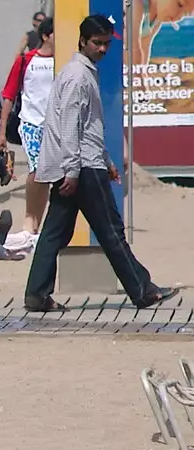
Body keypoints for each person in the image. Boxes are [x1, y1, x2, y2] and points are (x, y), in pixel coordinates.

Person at [23, 16, 179, 314]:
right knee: (110, 231)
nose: (103, 49)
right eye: (98, 43)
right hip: (81, 167)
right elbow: (69, 125)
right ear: (82, 41)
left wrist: (106, 159)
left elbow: (87, 126)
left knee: (55, 232)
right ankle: (143, 290)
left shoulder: (80, 73)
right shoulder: (78, 77)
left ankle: (37, 294)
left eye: (107, 43)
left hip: (85, 162)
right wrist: (72, 169)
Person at [0, 17, 55, 248]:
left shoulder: (65, 61)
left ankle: (37, 225)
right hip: (31, 123)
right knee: (36, 170)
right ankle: (29, 223)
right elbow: (9, 95)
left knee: (49, 177)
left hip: (56, 126)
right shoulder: (26, 60)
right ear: (45, 36)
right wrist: (1, 132)